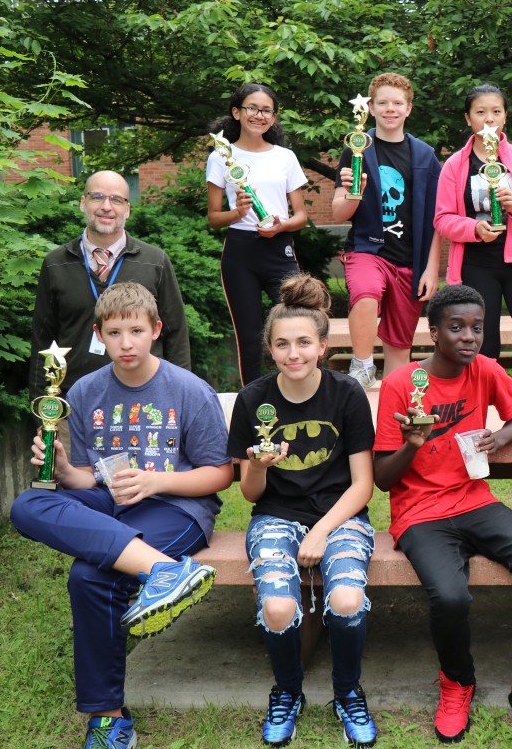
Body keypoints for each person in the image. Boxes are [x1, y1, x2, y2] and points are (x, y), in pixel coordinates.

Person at [10, 281, 231, 749]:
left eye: (135, 330)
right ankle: (166, 572)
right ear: (99, 335)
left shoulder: (189, 390)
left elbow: (220, 474)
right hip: (110, 504)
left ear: (156, 329)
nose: (125, 342)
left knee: (89, 577)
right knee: (27, 503)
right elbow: (90, 478)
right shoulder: (86, 390)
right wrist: (67, 469)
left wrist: (158, 481)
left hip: (177, 506)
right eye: (114, 332)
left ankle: (107, 719)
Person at [373, 284, 512, 743]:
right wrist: (413, 443)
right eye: (456, 328)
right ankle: (457, 681)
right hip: (420, 512)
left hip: (475, 500)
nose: (469, 337)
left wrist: (501, 434)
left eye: (477, 327)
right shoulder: (401, 384)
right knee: (451, 597)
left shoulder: (486, 370)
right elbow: (382, 478)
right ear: (434, 333)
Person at [226, 273, 378, 747]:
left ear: (322, 345)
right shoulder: (254, 400)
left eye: (304, 343)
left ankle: (347, 691)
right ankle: (288, 691)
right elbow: (251, 495)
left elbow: (363, 486)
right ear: (270, 349)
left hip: (341, 514)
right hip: (274, 515)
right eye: (283, 344)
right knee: (277, 606)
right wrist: (258, 467)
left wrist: (320, 532)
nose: (294, 353)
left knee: (346, 600)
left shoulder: (346, 394)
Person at [433, 84, 512, 389]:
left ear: (505, 117)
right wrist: (474, 229)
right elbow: (443, 219)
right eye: (481, 112)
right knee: (484, 351)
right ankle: (482, 422)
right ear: (468, 118)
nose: (489, 118)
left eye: (496, 112)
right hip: (475, 265)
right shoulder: (454, 165)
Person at [30, 170, 190, 397]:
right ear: (83, 203)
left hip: (145, 401)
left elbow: (176, 335)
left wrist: (179, 397)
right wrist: (42, 405)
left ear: (128, 209)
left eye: (116, 199)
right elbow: (42, 338)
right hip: (75, 402)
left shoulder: (155, 262)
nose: (107, 206)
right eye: (97, 197)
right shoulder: (56, 264)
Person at [331, 72, 443, 390]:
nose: (390, 108)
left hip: (410, 260)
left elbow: (437, 218)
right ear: (370, 107)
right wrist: (355, 192)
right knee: (365, 294)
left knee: (398, 349)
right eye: (383, 102)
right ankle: (362, 365)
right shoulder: (358, 149)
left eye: (397, 103)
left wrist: (432, 268)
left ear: (409, 108)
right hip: (368, 250)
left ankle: (391, 424)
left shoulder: (425, 156)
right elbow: (340, 211)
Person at [206, 83, 310, 387]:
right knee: (250, 336)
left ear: (274, 117)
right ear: (236, 112)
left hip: (279, 248)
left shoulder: (285, 157)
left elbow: (301, 217)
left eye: (266, 110)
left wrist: (282, 226)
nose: (259, 115)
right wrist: (238, 213)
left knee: (295, 324)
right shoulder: (220, 157)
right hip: (240, 251)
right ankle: (254, 402)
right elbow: (214, 218)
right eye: (252, 108)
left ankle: (301, 390)